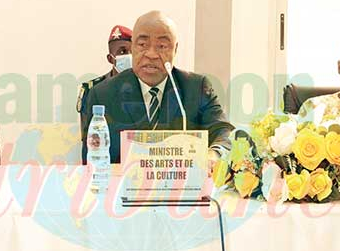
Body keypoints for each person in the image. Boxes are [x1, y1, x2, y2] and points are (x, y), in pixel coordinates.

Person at [80, 10, 233, 164]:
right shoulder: (103, 94)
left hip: (181, 185)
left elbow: (225, 133)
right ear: (132, 47)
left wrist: (213, 154)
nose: (152, 54)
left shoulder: (196, 88)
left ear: (175, 50)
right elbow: (92, 161)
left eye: (162, 46)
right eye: (142, 45)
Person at [77, 25, 132, 136]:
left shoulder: (145, 87)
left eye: (133, 51)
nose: (129, 56)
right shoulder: (93, 90)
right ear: (110, 58)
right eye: (122, 52)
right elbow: (87, 137)